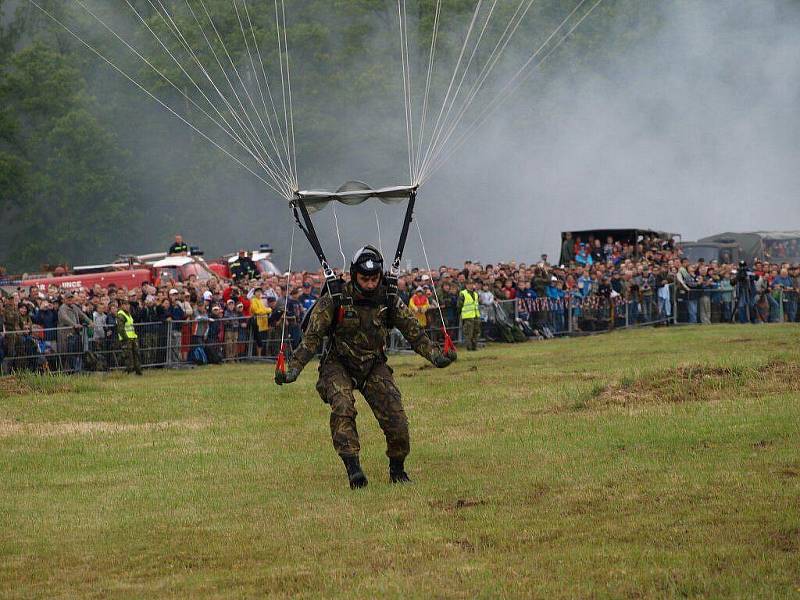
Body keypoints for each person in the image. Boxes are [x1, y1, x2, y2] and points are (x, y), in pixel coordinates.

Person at [275, 245, 456, 490]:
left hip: (374, 365)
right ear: (354, 275)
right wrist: (292, 369)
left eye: (374, 279)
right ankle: (353, 469)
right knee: (342, 406)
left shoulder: (389, 299)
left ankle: (397, 469)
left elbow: (415, 334)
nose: (370, 284)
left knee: (397, 418)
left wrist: (437, 356)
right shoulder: (336, 299)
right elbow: (312, 338)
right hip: (338, 364)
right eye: (365, 279)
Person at [116, 299, 142, 375]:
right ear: (122, 306)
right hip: (126, 339)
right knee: (128, 356)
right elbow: (121, 329)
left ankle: (138, 371)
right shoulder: (121, 314)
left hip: (132, 337)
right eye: (125, 305)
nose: (127, 306)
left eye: (128, 305)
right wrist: (126, 338)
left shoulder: (128, 314)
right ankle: (130, 371)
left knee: (136, 355)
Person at [458, 279, 481, 351]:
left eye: (472, 283)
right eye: (469, 284)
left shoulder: (476, 294)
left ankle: (474, 347)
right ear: (466, 285)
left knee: (476, 332)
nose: (471, 285)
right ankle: (469, 348)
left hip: (476, 315)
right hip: (467, 316)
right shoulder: (463, 293)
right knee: (468, 333)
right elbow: (459, 305)